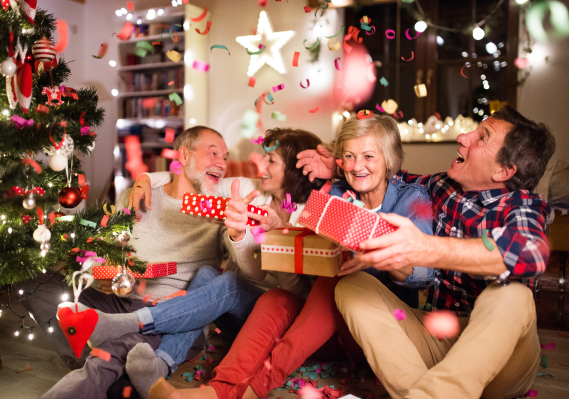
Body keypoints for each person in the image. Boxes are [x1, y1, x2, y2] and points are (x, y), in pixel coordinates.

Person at [148, 115, 435, 399]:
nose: (357, 166)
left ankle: (251, 390)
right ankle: (218, 391)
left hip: (377, 333)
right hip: (327, 332)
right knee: (275, 299)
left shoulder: (411, 199)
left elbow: (423, 276)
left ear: (389, 159)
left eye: (368, 156)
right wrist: (278, 231)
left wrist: (376, 253)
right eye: (349, 156)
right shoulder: (335, 193)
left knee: (341, 280)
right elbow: (307, 252)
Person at [300, 106, 556, 398]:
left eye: (481, 138)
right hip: (436, 340)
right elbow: (389, 174)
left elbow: (529, 253)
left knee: (513, 294)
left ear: (504, 170)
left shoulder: (523, 205)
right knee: (352, 285)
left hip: (503, 358)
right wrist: (340, 166)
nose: (463, 137)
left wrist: (426, 248)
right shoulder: (441, 186)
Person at [80, 127, 327, 398]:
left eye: (271, 161)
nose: (261, 164)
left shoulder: (311, 213)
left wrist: (281, 239)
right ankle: (159, 364)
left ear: (293, 170)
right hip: (231, 312)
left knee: (230, 282)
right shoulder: (249, 189)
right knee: (208, 273)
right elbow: (188, 176)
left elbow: (298, 293)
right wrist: (146, 178)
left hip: (272, 311)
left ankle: (131, 324)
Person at [20, 126, 261, 399]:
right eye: (213, 153)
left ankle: (107, 354)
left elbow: (252, 270)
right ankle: (97, 350)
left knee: (108, 358)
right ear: (184, 155)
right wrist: (98, 272)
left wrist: (240, 233)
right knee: (32, 279)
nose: (221, 163)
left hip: (169, 311)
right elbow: (106, 248)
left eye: (225, 157)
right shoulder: (138, 194)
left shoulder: (220, 209)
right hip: (117, 298)